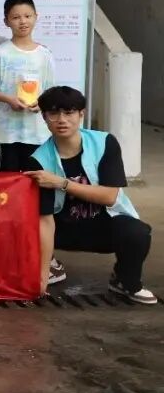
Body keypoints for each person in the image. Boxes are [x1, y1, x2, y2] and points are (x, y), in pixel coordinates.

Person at [25, 87, 155, 304]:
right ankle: (51, 266)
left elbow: (110, 196)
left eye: (69, 113)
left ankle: (125, 282)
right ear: (44, 117)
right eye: (53, 113)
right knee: (24, 226)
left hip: (104, 224)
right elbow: (45, 220)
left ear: (81, 114)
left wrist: (61, 183)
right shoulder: (38, 160)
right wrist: (41, 277)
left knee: (137, 233)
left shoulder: (104, 143)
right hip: (62, 230)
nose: (61, 120)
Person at [0, 0, 55, 173]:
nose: (23, 21)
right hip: (5, 133)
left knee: (36, 180)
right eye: (16, 17)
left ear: (36, 17)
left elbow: (51, 92)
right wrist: (9, 100)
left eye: (27, 16)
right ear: (6, 21)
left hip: (37, 132)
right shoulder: (0, 53)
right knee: (5, 182)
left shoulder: (45, 55)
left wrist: (41, 104)